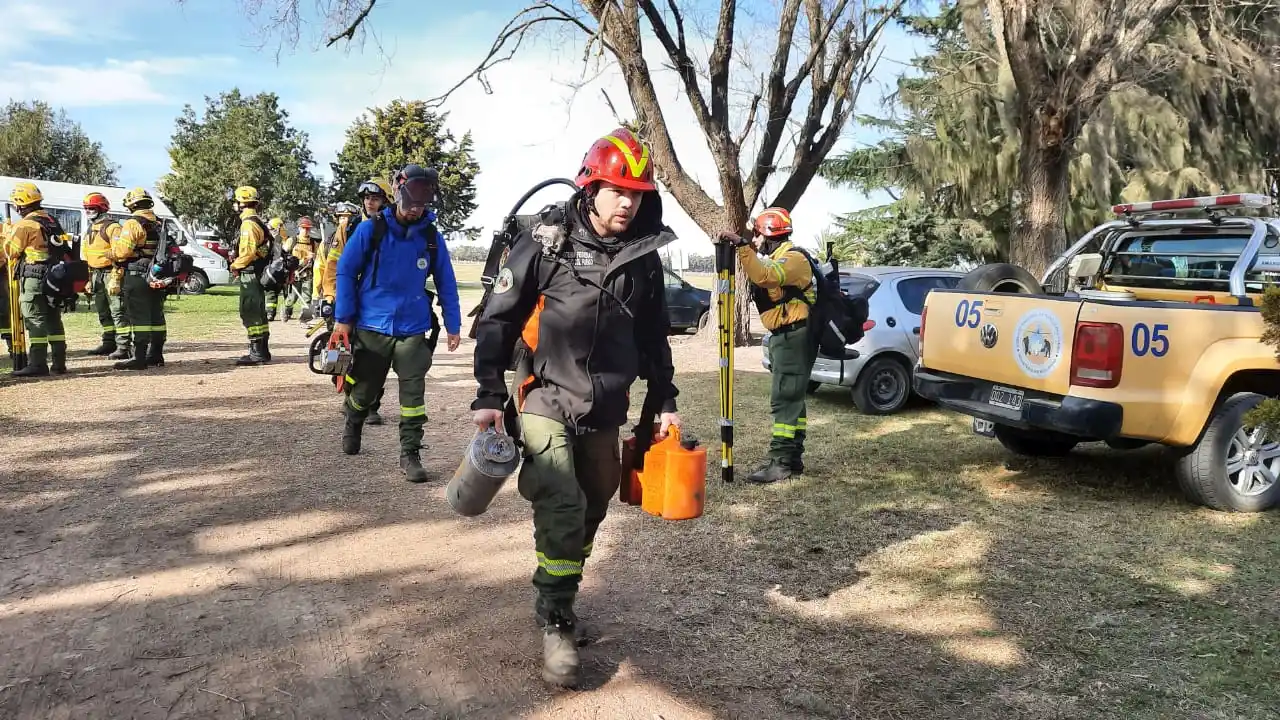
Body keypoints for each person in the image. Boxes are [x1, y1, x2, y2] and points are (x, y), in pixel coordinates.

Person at [470, 127, 683, 688]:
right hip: (543, 393)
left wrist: (663, 399)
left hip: (606, 405)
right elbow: (498, 319)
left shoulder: (644, 257)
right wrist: (490, 393)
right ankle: (557, 617)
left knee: (593, 504)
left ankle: (557, 584)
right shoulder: (546, 244)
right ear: (590, 188)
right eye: (617, 189)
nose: (627, 202)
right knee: (562, 500)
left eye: (636, 192)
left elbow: (654, 334)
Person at [332, 164, 462, 481]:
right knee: (364, 389)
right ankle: (354, 417)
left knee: (413, 395)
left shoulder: (431, 238)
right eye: (411, 204)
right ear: (398, 195)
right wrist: (344, 320)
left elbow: (446, 282)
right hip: (371, 327)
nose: (416, 210)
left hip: (413, 329)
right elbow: (346, 273)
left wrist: (453, 324)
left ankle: (410, 454)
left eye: (422, 205)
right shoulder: (369, 231)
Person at [719, 207, 815, 484]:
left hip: (794, 336)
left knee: (785, 398)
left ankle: (781, 462)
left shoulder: (793, 259)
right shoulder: (780, 257)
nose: (756, 240)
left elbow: (763, 275)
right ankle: (792, 457)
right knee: (793, 397)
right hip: (786, 335)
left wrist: (741, 245)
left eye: (758, 235)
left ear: (769, 234)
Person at [322, 186, 390, 425]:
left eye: (376, 198)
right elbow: (333, 265)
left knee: (378, 356)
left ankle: (372, 405)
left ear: (386, 201)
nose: (371, 202)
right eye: (368, 198)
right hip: (350, 301)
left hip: (377, 304)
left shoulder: (393, 229)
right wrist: (331, 295)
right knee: (349, 353)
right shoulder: (348, 229)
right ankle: (351, 398)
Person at [4, 181, 70, 377]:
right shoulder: (52, 221)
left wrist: (8, 233)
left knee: (35, 319)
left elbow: (11, 252)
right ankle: (59, 363)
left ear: (20, 204)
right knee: (53, 320)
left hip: (34, 278)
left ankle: (37, 364)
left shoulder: (25, 225)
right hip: (55, 277)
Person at [112, 188, 168, 370]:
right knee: (156, 314)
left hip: (138, 275)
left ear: (132, 205)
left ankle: (140, 357)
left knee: (139, 316)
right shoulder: (159, 222)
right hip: (157, 274)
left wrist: (109, 253)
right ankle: (157, 354)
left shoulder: (133, 223)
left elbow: (123, 252)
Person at [228, 186, 273, 366]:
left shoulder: (248, 224)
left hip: (250, 273)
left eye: (236, 202)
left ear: (241, 203)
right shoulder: (257, 221)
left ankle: (256, 352)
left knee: (250, 310)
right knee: (259, 312)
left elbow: (248, 252)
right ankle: (263, 350)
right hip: (257, 272)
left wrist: (234, 265)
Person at [82, 193, 122, 356]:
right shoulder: (91, 228)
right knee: (103, 311)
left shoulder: (113, 228)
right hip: (95, 274)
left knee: (117, 310)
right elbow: (88, 255)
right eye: (86, 209)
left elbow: (121, 254)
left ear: (101, 208)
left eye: (92, 208)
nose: (89, 211)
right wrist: (88, 278)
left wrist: (117, 277)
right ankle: (108, 342)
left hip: (110, 273)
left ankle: (123, 345)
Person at [283, 216, 314, 323]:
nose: (306, 230)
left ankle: (305, 317)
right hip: (294, 273)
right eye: (304, 228)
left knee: (307, 296)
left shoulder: (313, 243)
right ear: (299, 228)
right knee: (293, 296)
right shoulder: (292, 240)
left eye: (308, 228)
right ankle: (286, 311)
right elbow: (284, 255)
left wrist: (313, 258)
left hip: (308, 274)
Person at [264, 217, 289, 322]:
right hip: (270, 270)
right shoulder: (269, 240)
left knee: (275, 291)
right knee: (271, 292)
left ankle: (281, 312)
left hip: (279, 271)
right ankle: (270, 312)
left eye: (271, 229)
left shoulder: (284, 242)